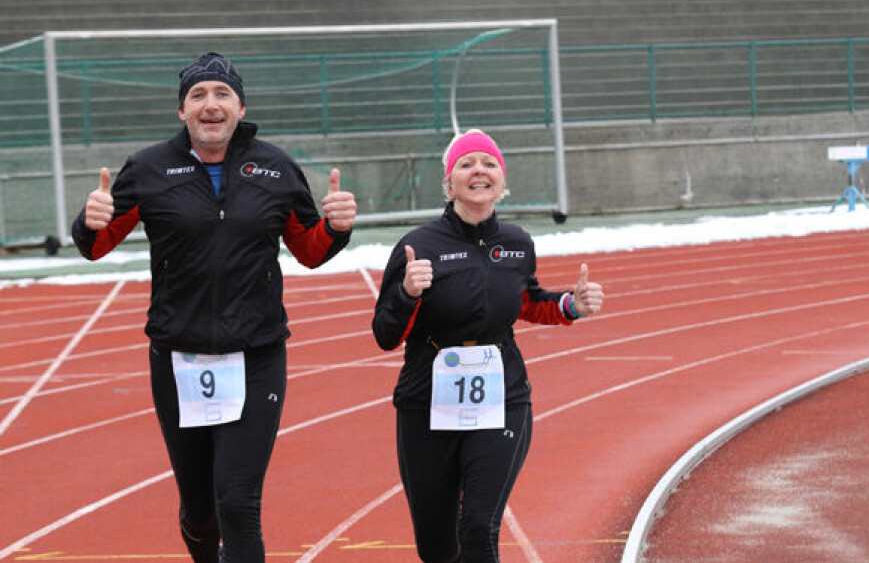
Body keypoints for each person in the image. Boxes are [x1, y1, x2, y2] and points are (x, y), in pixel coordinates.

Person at [72, 52, 357, 562]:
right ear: (181, 110)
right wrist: (89, 220)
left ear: (240, 107)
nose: (210, 105)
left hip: (257, 354)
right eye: (198, 95)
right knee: (201, 508)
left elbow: (310, 250)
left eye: (222, 94)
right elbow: (96, 246)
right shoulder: (149, 168)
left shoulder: (275, 168)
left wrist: (335, 227)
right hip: (178, 357)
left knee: (238, 501)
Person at [371, 129, 603, 562]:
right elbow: (385, 334)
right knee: (437, 548)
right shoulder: (418, 247)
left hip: (502, 397)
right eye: (466, 164)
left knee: (479, 527)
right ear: (449, 182)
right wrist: (407, 293)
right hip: (427, 401)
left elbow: (526, 301)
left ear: (501, 179)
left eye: (489, 163)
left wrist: (572, 305)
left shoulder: (516, 243)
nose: (479, 170)